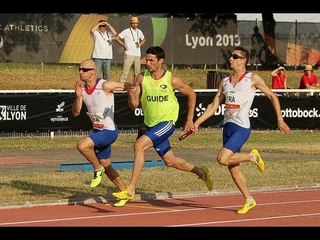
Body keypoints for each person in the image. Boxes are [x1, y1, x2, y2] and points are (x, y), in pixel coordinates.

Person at [192, 46, 291, 214]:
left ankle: (252, 156)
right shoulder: (225, 81)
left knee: (222, 159)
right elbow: (213, 105)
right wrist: (197, 122)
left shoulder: (252, 78)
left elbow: (272, 96)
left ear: (243, 61)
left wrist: (279, 119)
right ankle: (249, 199)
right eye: (231, 56)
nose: (230, 59)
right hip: (228, 127)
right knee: (233, 168)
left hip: (241, 127)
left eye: (235, 56)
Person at [112, 46, 213, 202]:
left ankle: (130, 190)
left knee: (139, 146)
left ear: (161, 61)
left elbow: (191, 94)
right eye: (147, 59)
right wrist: (131, 96)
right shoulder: (141, 78)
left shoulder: (172, 79)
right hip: (149, 125)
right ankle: (201, 172)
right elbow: (134, 105)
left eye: (151, 60)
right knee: (170, 161)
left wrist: (189, 119)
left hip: (166, 123)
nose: (148, 63)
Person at [72, 59, 132, 207]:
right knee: (107, 165)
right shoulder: (83, 90)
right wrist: (78, 96)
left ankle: (96, 169)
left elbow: (129, 86)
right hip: (98, 131)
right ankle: (125, 192)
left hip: (109, 131)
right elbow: (76, 112)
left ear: (93, 71)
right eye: (80, 69)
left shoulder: (105, 85)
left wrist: (133, 91)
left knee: (82, 145)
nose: (81, 72)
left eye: (84, 69)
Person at [115, 16, 146, 83]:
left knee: (137, 72)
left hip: (137, 54)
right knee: (125, 72)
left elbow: (144, 39)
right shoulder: (126, 31)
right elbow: (117, 38)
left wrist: (140, 44)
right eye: (133, 23)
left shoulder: (139, 31)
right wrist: (124, 45)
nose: (135, 24)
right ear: (131, 23)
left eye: (136, 23)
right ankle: (121, 86)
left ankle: (136, 86)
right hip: (129, 54)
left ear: (138, 23)